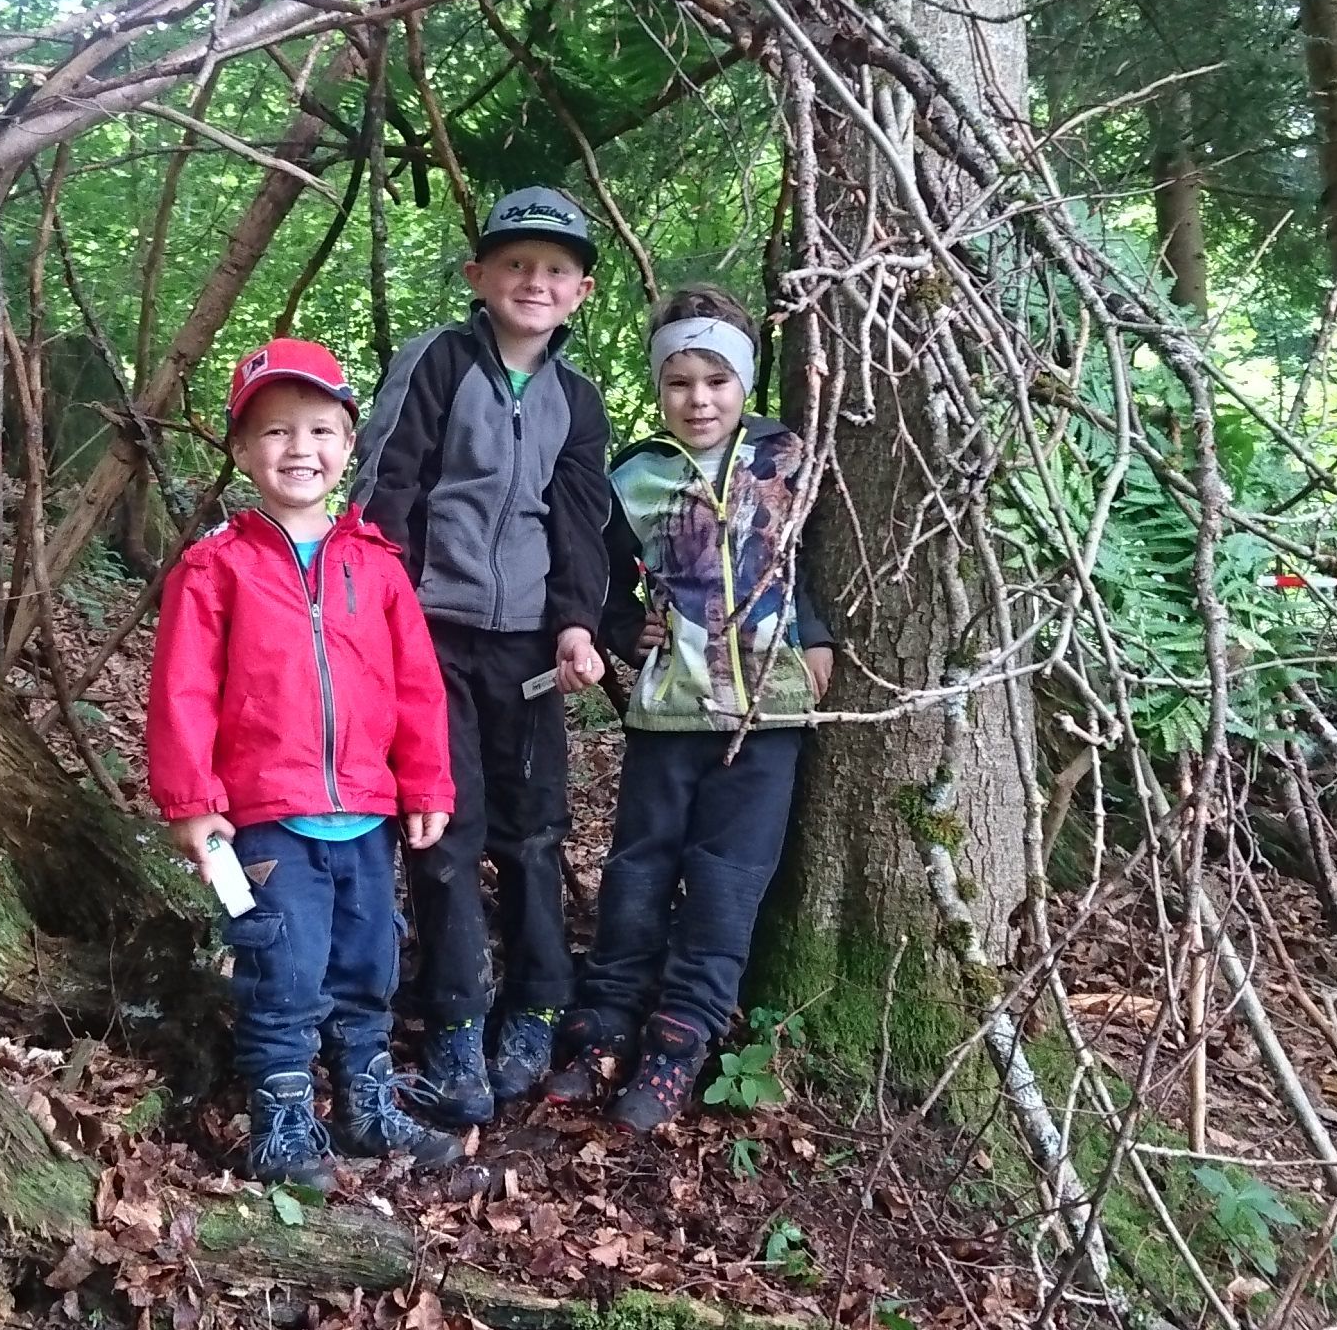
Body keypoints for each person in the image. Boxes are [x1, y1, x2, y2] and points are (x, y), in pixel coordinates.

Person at [147, 338, 463, 1187]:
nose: (300, 450)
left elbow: (416, 686)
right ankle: (282, 1119)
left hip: (367, 813)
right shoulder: (216, 569)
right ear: (244, 451)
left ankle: (365, 1102)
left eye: (320, 430)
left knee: (369, 964)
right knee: (282, 966)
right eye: (276, 432)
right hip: (267, 819)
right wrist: (191, 799)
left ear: (348, 444)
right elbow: (182, 691)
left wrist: (427, 781)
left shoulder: (376, 566)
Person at [547, 284, 833, 1131]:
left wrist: (813, 637)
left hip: (767, 716)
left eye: (716, 379)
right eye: (679, 381)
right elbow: (597, 573)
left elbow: (804, 564)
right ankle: (606, 1018)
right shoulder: (635, 476)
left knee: (727, 880)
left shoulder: (787, 460)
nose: (698, 399)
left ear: (744, 384)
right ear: (659, 386)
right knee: (638, 868)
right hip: (667, 713)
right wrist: (616, 630)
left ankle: (681, 1037)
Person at [354, 185, 612, 1123]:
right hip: (432, 635)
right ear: (479, 276)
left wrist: (578, 621)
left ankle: (535, 1006)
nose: (532, 282)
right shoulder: (438, 363)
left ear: (580, 290)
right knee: (445, 826)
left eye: (553, 269)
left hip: (531, 646)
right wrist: (384, 613)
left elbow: (582, 519)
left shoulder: (578, 401)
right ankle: (455, 1021)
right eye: (514, 264)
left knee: (535, 829)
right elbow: (389, 483)